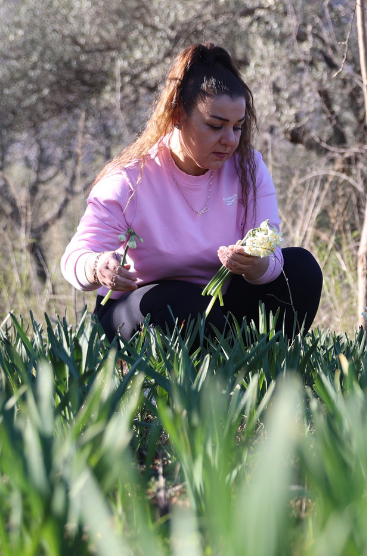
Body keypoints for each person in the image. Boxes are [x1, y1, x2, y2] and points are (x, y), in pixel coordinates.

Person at [60, 43, 323, 342]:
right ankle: (215, 368)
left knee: (301, 270)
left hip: (216, 308)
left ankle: (255, 367)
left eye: (237, 127)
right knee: (182, 303)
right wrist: (97, 268)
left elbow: (273, 258)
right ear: (177, 116)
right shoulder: (128, 180)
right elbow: (74, 258)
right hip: (140, 312)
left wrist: (255, 264)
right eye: (215, 126)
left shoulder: (249, 168)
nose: (230, 140)